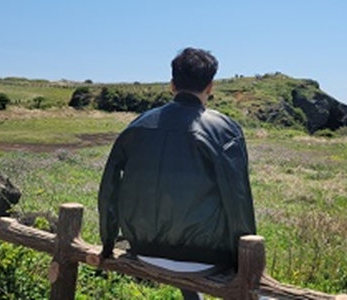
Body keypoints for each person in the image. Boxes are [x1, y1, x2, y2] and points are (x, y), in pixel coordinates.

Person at [98, 47, 256, 300]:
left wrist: (108, 244)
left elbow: (109, 188)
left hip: (143, 250)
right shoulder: (224, 129)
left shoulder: (137, 125)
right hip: (206, 258)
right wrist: (245, 260)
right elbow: (238, 200)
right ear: (210, 87)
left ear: (172, 85)